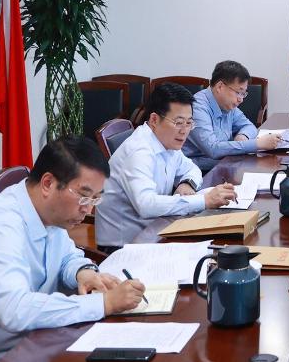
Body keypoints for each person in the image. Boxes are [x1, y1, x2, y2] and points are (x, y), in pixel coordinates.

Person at [0, 138, 146, 362]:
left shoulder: (48, 210)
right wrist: (104, 303)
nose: (88, 209)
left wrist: (83, 272)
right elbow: (14, 310)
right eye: (84, 196)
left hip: (40, 338)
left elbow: (67, 256)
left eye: (95, 198)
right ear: (48, 183)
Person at [96, 82, 237, 250]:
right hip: (125, 246)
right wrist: (204, 200)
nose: (184, 131)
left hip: (156, 230)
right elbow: (146, 205)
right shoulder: (138, 152)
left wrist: (187, 184)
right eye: (178, 122)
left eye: (189, 123)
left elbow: (191, 168)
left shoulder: (166, 141)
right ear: (154, 120)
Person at [183, 60, 289, 171]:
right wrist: (257, 144)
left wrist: (243, 136)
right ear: (220, 87)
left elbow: (249, 126)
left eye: (243, 94)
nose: (241, 99)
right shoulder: (197, 108)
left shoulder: (227, 105)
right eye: (238, 92)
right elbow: (213, 149)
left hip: (226, 165)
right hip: (200, 172)